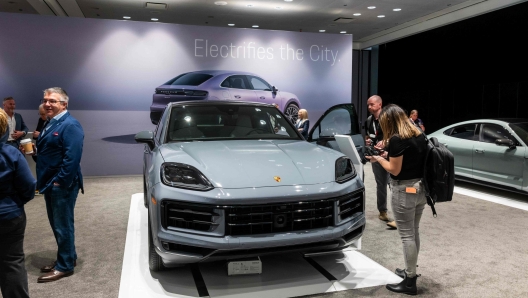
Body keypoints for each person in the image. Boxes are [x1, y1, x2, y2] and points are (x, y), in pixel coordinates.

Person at [365, 104, 428, 295]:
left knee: (406, 235)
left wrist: (378, 159)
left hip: (404, 191)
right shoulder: (417, 134)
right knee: (413, 231)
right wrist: (386, 154)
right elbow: (407, 159)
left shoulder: (397, 139)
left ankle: (409, 282)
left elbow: (394, 169)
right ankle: (411, 270)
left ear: (389, 120)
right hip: (421, 189)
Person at [25, 87, 84, 283]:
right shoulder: (50, 123)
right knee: (60, 223)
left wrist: (60, 182)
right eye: (45, 100)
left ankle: (64, 266)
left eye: (52, 101)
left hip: (61, 185)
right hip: (50, 183)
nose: (47, 104)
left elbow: (72, 158)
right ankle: (68, 257)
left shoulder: (71, 125)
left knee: (62, 225)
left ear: (64, 104)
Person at [0, 109, 36, 298]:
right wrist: (16, 202)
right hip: (9, 216)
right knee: (12, 263)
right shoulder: (11, 153)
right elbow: (29, 185)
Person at [365, 95, 396, 229]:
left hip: (391, 156)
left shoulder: (388, 118)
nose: (369, 107)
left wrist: (386, 142)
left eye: (372, 104)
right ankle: (382, 211)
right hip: (376, 157)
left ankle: (398, 215)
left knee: (394, 186)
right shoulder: (368, 120)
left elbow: (397, 136)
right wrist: (367, 140)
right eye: (368, 105)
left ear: (379, 104)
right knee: (381, 184)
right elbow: (368, 135)